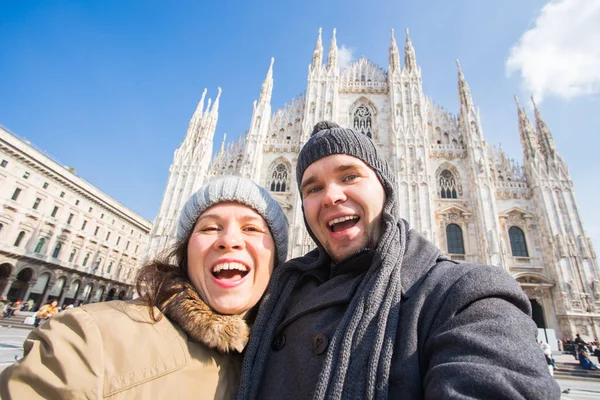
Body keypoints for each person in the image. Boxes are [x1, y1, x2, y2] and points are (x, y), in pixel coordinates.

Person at [238, 121, 560, 399]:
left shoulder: (463, 295)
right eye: (313, 188)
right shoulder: (276, 295)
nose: (331, 195)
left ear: (386, 188)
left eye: (350, 176)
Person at [0, 176, 288, 399]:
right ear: (184, 252)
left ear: (277, 260)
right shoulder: (92, 341)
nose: (230, 240)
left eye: (252, 229)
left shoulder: (282, 354)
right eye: (210, 227)